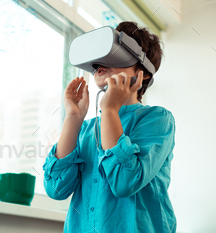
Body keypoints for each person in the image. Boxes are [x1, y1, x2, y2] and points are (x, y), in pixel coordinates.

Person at [43, 21, 177, 233]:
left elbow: (124, 182)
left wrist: (110, 110)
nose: (101, 63)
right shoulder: (86, 129)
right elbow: (55, 189)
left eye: (115, 54)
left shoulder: (157, 119)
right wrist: (74, 117)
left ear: (144, 73)